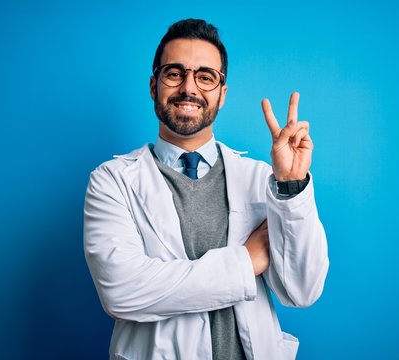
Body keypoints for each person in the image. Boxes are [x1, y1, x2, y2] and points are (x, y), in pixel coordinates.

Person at [84, 18, 329, 360]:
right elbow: (121, 291)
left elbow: (302, 289)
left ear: (222, 94)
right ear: (154, 86)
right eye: (174, 73)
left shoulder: (260, 180)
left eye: (205, 76)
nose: (189, 88)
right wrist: (246, 260)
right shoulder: (112, 181)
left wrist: (291, 186)